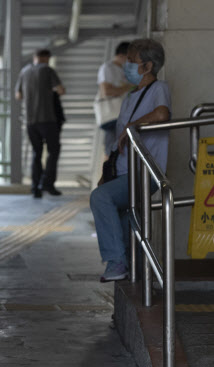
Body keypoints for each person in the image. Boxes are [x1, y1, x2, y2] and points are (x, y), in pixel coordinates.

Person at [90, 38, 171, 282]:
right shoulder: (129, 97)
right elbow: (117, 142)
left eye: (131, 62)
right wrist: (107, 173)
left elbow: (162, 113)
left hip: (144, 175)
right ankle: (133, 272)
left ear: (147, 67)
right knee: (125, 222)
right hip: (123, 173)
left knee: (100, 198)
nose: (126, 66)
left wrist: (132, 127)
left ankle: (116, 262)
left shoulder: (159, 89)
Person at [15, 48, 66, 198]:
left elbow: (18, 95)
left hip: (30, 121)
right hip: (48, 119)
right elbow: (61, 90)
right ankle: (48, 184)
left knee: (36, 153)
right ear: (46, 58)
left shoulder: (24, 71)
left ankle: (35, 187)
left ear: (34, 57)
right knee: (53, 151)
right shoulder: (47, 70)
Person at [97, 42, 134, 156]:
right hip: (113, 115)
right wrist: (127, 87)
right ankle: (110, 172)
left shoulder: (122, 69)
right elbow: (106, 91)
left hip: (122, 115)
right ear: (123, 55)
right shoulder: (108, 68)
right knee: (112, 147)